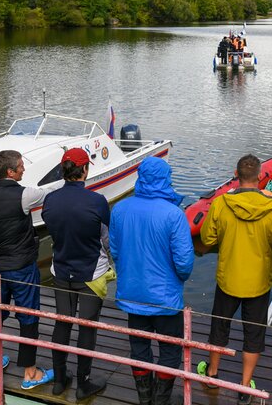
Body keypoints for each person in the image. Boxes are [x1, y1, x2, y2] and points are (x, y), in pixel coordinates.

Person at [198, 154, 272, 404]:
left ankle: (212, 373)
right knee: (254, 335)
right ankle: (245, 386)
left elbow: (207, 239)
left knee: (219, 327)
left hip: (228, 280)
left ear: (236, 175)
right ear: (260, 177)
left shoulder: (220, 204)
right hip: (258, 283)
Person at [0, 149, 63, 390]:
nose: (24, 169)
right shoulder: (24, 195)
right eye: (21, 166)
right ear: (11, 172)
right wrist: (68, 177)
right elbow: (49, 192)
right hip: (22, 269)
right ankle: (30, 373)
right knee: (28, 319)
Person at [110, 157, 194, 405]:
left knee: (139, 348)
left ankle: (145, 399)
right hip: (165, 299)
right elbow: (185, 262)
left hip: (132, 295)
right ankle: (160, 401)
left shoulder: (120, 209)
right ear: (165, 179)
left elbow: (114, 250)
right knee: (170, 350)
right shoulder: (173, 214)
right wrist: (178, 279)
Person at [42, 148, 112, 399]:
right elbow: (105, 238)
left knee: (62, 322)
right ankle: (83, 383)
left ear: (63, 170)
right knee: (86, 327)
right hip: (91, 273)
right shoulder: (97, 201)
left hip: (61, 269)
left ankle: (60, 380)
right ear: (85, 170)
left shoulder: (50, 200)